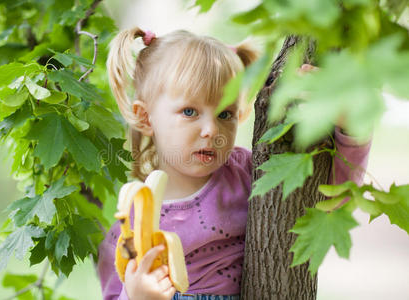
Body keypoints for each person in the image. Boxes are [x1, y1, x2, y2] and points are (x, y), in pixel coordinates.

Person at [97, 27, 372, 300]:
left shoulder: (245, 173)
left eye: (225, 114)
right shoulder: (134, 221)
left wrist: (353, 130)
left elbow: (329, 194)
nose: (211, 130)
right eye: (189, 112)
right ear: (146, 118)